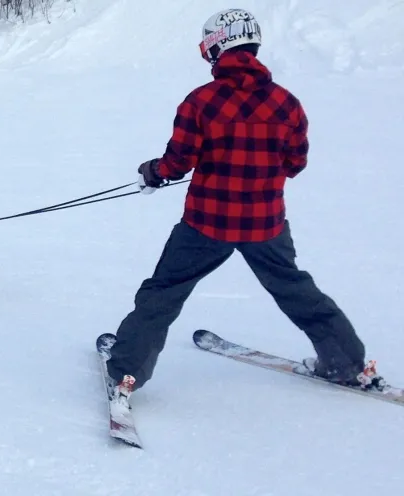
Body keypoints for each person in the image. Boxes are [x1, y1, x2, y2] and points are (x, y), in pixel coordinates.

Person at [105, 8, 382, 399]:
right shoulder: (287, 104)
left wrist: (153, 171)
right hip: (266, 224)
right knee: (296, 289)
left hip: (205, 224)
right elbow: (296, 163)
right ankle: (347, 365)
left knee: (162, 294)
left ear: (218, 46)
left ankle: (125, 376)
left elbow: (179, 161)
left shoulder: (201, 101)